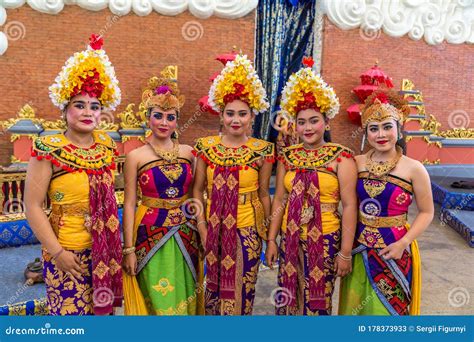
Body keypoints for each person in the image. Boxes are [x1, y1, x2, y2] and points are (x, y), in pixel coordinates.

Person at [25, 34, 122, 315]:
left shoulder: (106, 146)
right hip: (67, 252)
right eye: (80, 105)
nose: (88, 112)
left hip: (105, 251)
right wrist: (58, 253)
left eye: (95, 106)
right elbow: (32, 206)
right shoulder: (48, 149)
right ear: (64, 109)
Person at [265, 57, 358, 315]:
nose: (307, 127)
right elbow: (280, 200)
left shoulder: (342, 157)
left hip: (326, 239)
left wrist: (346, 252)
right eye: (302, 121)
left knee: (318, 302)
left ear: (327, 123)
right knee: (287, 298)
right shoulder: (288, 156)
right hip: (290, 238)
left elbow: (350, 206)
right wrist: (272, 239)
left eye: (314, 120)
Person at [338, 89, 434, 315]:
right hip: (358, 250)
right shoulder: (356, 163)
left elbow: (427, 212)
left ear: (399, 129)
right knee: (355, 310)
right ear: (366, 133)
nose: (381, 134)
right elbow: (348, 204)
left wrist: (404, 243)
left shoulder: (414, 168)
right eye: (373, 128)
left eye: (387, 127)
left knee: (385, 313)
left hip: (394, 251)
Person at [192, 54, 274, 315]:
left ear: (252, 116)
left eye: (243, 114)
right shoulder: (206, 147)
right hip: (213, 230)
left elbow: (264, 194)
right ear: (221, 115)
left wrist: (269, 237)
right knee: (212, 293)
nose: (235, 120)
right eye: (230, 114)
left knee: (241, 294)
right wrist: (202, 227)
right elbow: (196, 190)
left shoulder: (263, 151)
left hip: (247, 231)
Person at [122, 76, 202, 315]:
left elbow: (195, 196)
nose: (164, 122)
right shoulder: (136, 156)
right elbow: (129, 203)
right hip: (149, 235)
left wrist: (203, 229)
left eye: (171, 117)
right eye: (158, 115)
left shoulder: (190, 153)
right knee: (157, 297)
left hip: (187, 235)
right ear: (148, 118)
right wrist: (129, 249)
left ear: (177, 121)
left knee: (186, 294)